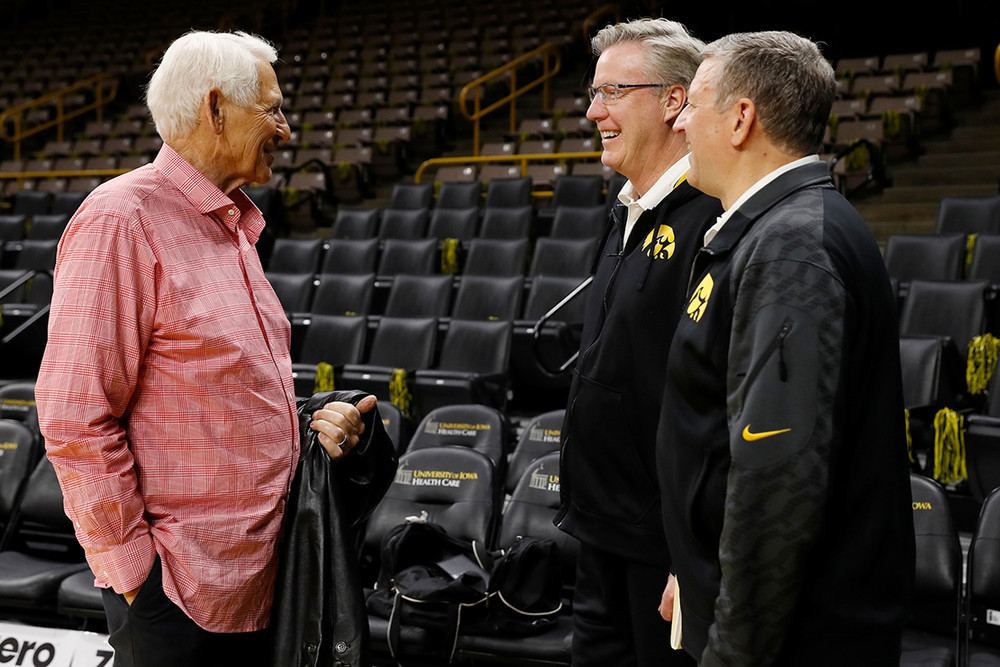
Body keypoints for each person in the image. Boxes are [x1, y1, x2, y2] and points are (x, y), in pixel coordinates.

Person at [35, 31, 374, 667]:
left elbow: (221, 387)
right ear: (215, 110)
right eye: (272, 110)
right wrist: (135, 574)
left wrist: (308, 425)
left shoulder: (233, 227)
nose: (287, 129)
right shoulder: (122, 219)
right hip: (179, 594)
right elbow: (74, 414)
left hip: (259, 581)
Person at [656, 31, 915, 665]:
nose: (679, 121)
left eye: (692, 103)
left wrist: (733, 652)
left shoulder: (791, 248)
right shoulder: (776, 230)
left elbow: (777, 479)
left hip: (798, 638)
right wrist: (692, 565)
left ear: (741, 118)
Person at [554, 18, 722, 667]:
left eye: (613, 92)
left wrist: (692, 548)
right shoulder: (623, 209)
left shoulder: (712, 219)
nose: (595, 111)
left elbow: (715, 402)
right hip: (599, 528)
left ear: (674, 100)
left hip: (663, 548)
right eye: (594, 93)